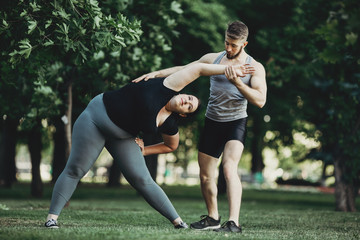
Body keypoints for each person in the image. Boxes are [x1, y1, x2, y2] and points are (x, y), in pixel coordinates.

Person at [44, 61, 250, 229]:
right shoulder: (167, 85)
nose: (186, 101)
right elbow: (198, 68)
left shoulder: (169, 123)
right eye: (188, 98)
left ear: (183, 114)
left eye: (189, 106)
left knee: (143, 180)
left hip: (122, 137)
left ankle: (178, 222)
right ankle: (52, 218)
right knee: (76, 169)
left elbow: (171, 146)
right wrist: (230, 69)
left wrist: (145, 150)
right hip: (96, 118)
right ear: (182, 93)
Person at [133, 20, 267, 233]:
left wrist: (239, 83)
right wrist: (157, 74)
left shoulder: (254, 67)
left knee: (229, 168)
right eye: (226, 42)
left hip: (235, 123)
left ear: (244, 44)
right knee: (205, 175)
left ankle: (233, 222)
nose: (228, 48)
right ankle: (213, 218)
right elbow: (186, 69)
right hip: (212, 122)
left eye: (234, 45)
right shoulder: (213, 59)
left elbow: (260, 101)